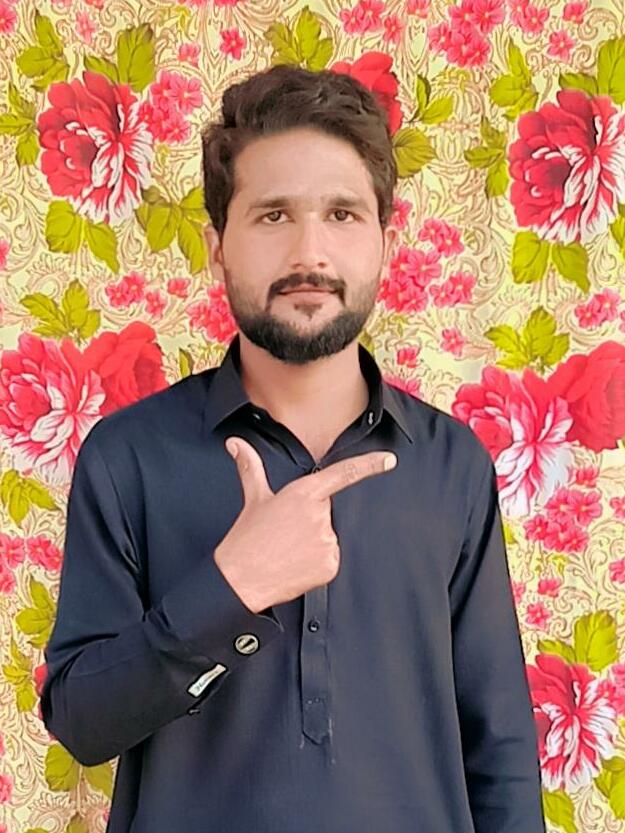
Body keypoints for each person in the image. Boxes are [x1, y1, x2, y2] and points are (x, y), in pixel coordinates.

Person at [41, 64, 546, 833]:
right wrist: (230, 587)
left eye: (342, 213)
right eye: (273, 215)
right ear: (217, 246)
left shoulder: (453, 465)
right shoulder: (127, 457)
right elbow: (83, 722)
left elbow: (500, 750)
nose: (310, 251)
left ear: (385, 242)